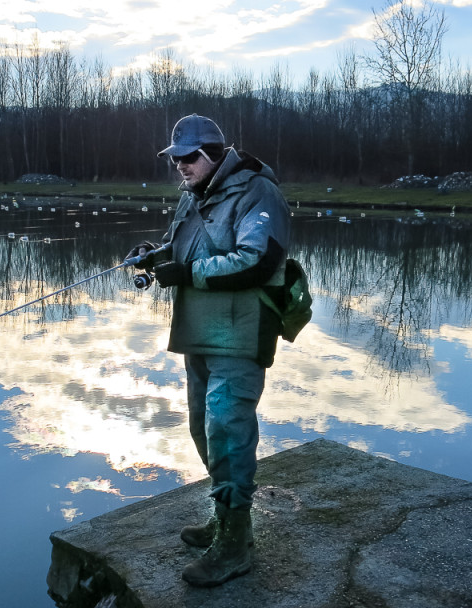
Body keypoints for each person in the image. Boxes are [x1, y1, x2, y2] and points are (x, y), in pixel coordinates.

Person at [127, 114, 290, 587]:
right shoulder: (192, 197)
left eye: (187, 157)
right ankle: (226, 521)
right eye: (174, 158)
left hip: (240, 336)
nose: (179, 165)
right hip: (198, 332)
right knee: (203, 429)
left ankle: (235, 547)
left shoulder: (258, 192)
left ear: (215, 153)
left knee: (228, 428)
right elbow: (179, 253)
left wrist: (189, 273)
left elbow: (259, 259)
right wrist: (153, 256)